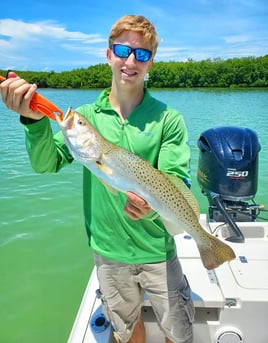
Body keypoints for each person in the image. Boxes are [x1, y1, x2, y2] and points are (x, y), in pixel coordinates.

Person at [0, 15, 194, 343]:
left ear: (151, 63)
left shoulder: (168, 119)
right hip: (107, 253)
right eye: (122, 50)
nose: (131, 60)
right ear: (108, 55)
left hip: (157, 250)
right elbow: (46, 164)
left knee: (178, 333)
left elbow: (176, 178)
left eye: (142, 54)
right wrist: (33, 122)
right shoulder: (86, 117)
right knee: (127, 331)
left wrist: (150, 205)